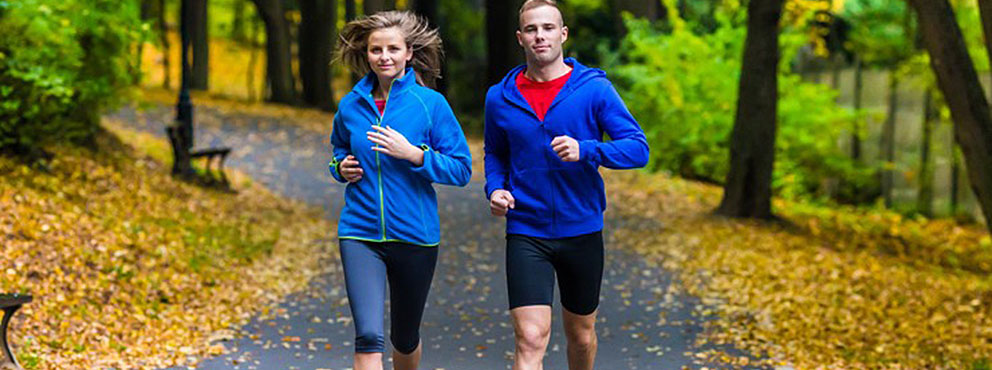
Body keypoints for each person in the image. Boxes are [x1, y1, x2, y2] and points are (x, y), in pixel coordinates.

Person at [483, 1, 650, 369]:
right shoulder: (499, 97)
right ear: (520, 38)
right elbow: (495, 152)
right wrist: (494, 188)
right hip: (527, 229)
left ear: (563, 34)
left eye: (547, 28)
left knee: (581, 335)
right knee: (530, 337)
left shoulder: (594, 89)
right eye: (531, 29)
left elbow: (638, 149)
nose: (539, 36)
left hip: (581, 229)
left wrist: (586, 150)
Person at [329, 10, 472, 370]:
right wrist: (340, 168)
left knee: (404, 339)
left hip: (415, 236)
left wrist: (415, 155)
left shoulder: (430, 104)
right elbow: (339, 149)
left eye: (393, 49)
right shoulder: (350, 105)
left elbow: (462, 169)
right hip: (359, 233)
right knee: (367, 337)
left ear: (408, 53)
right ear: (366, 54)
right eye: (376, 49)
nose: (384, 57)